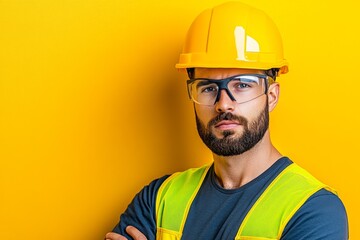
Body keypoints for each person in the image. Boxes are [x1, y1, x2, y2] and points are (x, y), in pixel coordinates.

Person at [105, 2, 349, 239]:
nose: (223, 103)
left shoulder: (313, 210)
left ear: (271, 96)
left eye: (242, 85)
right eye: (208, 87)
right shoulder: (159, 198)